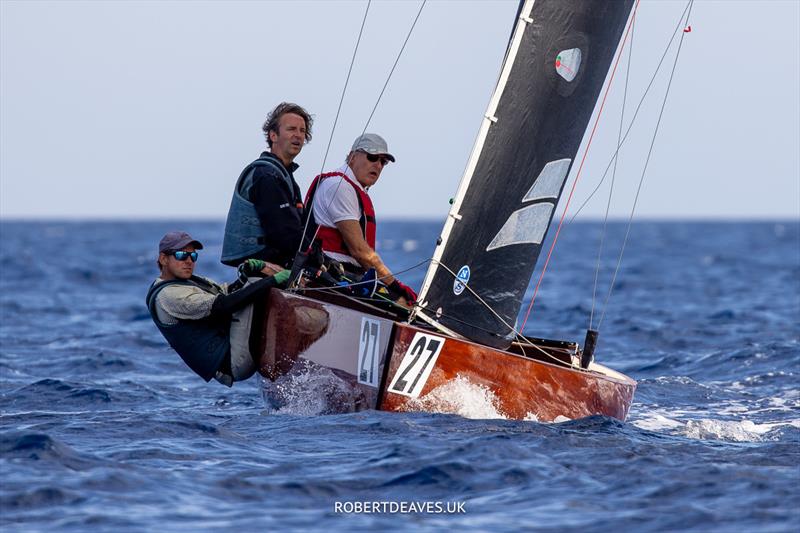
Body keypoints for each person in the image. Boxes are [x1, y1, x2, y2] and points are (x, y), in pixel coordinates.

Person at [146, 231, 289, 386]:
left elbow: (225, 294)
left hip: (232, 345)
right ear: (163, 259)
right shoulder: (168, 295)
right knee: (256, 283)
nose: (189, 261)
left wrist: (245, 275)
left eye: (193, 256)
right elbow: (223, 306)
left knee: (254, 280)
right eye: (181, 255)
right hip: (233, 363)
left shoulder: (189, 281)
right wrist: (273, 280)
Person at [303, 133, 417, 303]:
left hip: (350, 275)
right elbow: (360, 251)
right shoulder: (340, 186)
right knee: (404, 303)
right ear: (352, 157)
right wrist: (395, 285)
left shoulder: (353, 187)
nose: (378, 165)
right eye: (372, 158)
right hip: (331, 275)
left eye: (383, 162)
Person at [221, 102, 313, 269]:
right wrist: (318, 259)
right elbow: (285, 233)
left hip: (278, 263)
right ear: (273, 136)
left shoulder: (285, 176)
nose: (298, 135)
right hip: (260, 266)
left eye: (302, 130)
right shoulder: (266, 176)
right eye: (291, 129)